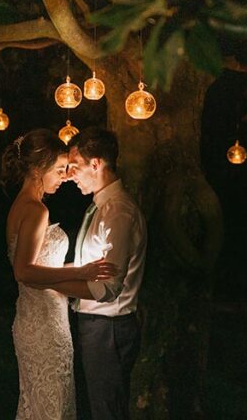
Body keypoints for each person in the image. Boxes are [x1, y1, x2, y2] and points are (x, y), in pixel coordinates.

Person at [3, 128, 118, 420]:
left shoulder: (21, 206)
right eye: (58, 169)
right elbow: (24, 271)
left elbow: (40, 268)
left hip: (39, 317)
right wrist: (81, 271)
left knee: (43, 404)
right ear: (37, 169)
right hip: (43, 323)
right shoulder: (35, 211)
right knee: (51, 408)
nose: (64, 176)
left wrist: (78, 271)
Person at [67, 127, 147, 420]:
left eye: (75, 167)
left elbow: (108, 287)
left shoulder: (118, 212)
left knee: (107, 412)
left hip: (108, 328)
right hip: (97, 325)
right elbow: (86, 269)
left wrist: (55, 285)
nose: (71, 175)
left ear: (96, 164)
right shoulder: (101, 208)